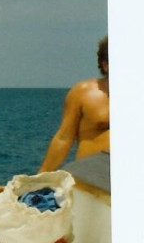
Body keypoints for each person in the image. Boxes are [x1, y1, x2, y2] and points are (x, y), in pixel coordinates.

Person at [39, 36, 109, 172]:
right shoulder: (83, 93)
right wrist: (41, 176)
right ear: (106, 65)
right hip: (90, 176)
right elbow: (64, 138)